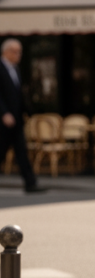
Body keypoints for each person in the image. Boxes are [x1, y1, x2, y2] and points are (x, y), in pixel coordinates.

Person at [0, 38, 44, 194]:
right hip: (4, 121)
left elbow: (18, 96)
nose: (18, 55)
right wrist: (4, 113)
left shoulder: (15, 69)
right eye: (15, 51)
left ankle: (30, 183)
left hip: (17, 120)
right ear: (6, 52)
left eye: (20, 52)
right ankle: (30, 182)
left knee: (21, 152)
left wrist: (28, 113)